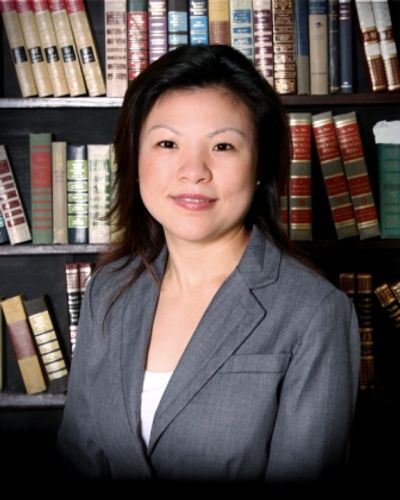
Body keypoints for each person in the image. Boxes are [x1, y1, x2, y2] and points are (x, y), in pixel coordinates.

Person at [57, 44, 360, 483]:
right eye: (167, 143)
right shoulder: (108, 290)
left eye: (222, 145)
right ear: (134, 159)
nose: (193, 170)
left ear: (259, 167)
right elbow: (77, 457)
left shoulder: (314, 312)